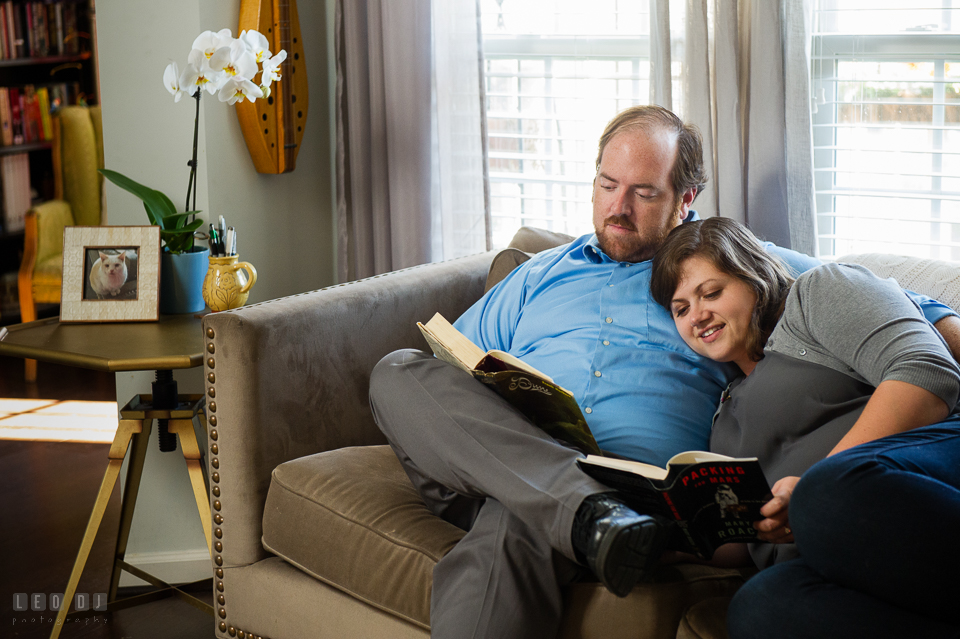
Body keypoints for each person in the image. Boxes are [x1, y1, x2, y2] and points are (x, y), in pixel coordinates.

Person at [368, 105, 960, 639]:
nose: (618, 207)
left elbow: (919, 325)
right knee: (399, 370)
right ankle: (583, 512)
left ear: (686, 197)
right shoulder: (539, 274)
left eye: (644, 192)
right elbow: (448, 364)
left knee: (518, 516)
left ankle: (583, 515)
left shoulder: (741, 263)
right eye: (607, 184)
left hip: (626, 495)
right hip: (510, 462)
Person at [649, 216, 960, 637]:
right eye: (680, 309)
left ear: (754, 275)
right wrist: (662, 537)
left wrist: (810, 487)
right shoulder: (724, 412)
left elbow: (928, 371)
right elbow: (744, 541)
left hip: (921, 471)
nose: (697, 316)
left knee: (825, 497)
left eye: (712, 293)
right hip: (842, 550)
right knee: (760, 606)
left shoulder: (816, 294)